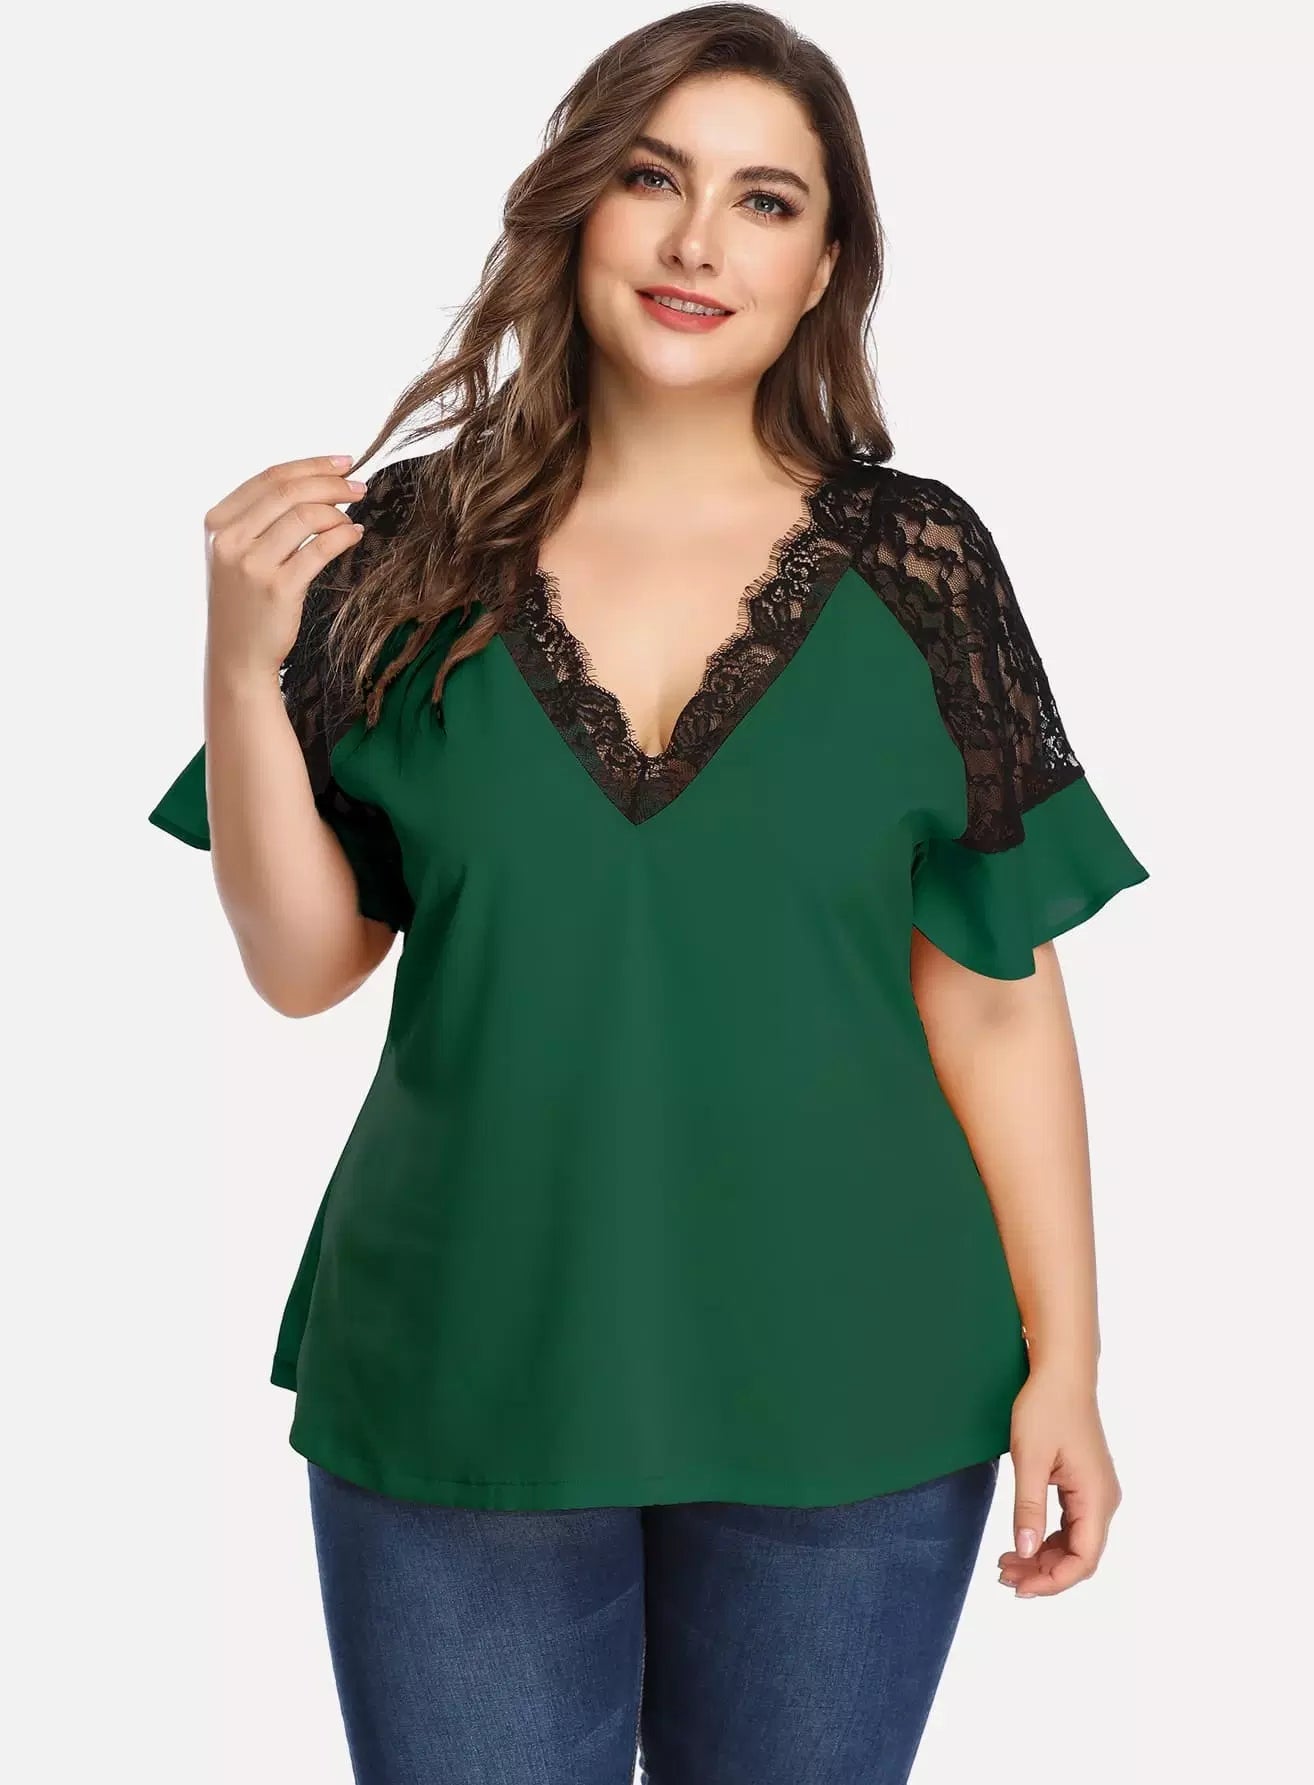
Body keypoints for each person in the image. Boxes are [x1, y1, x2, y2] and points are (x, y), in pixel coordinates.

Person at [145, 7, 1150, 1781]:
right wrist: (241, 666)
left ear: (823, 266)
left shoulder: (922, 565)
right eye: (650, 178)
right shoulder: (397, 559)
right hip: (468, 1363)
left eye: (765, 201)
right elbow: (304, 964)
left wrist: (1064, 1357)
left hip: (861, 1376)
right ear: (573, 206)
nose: (698, 241)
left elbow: (993, 998)